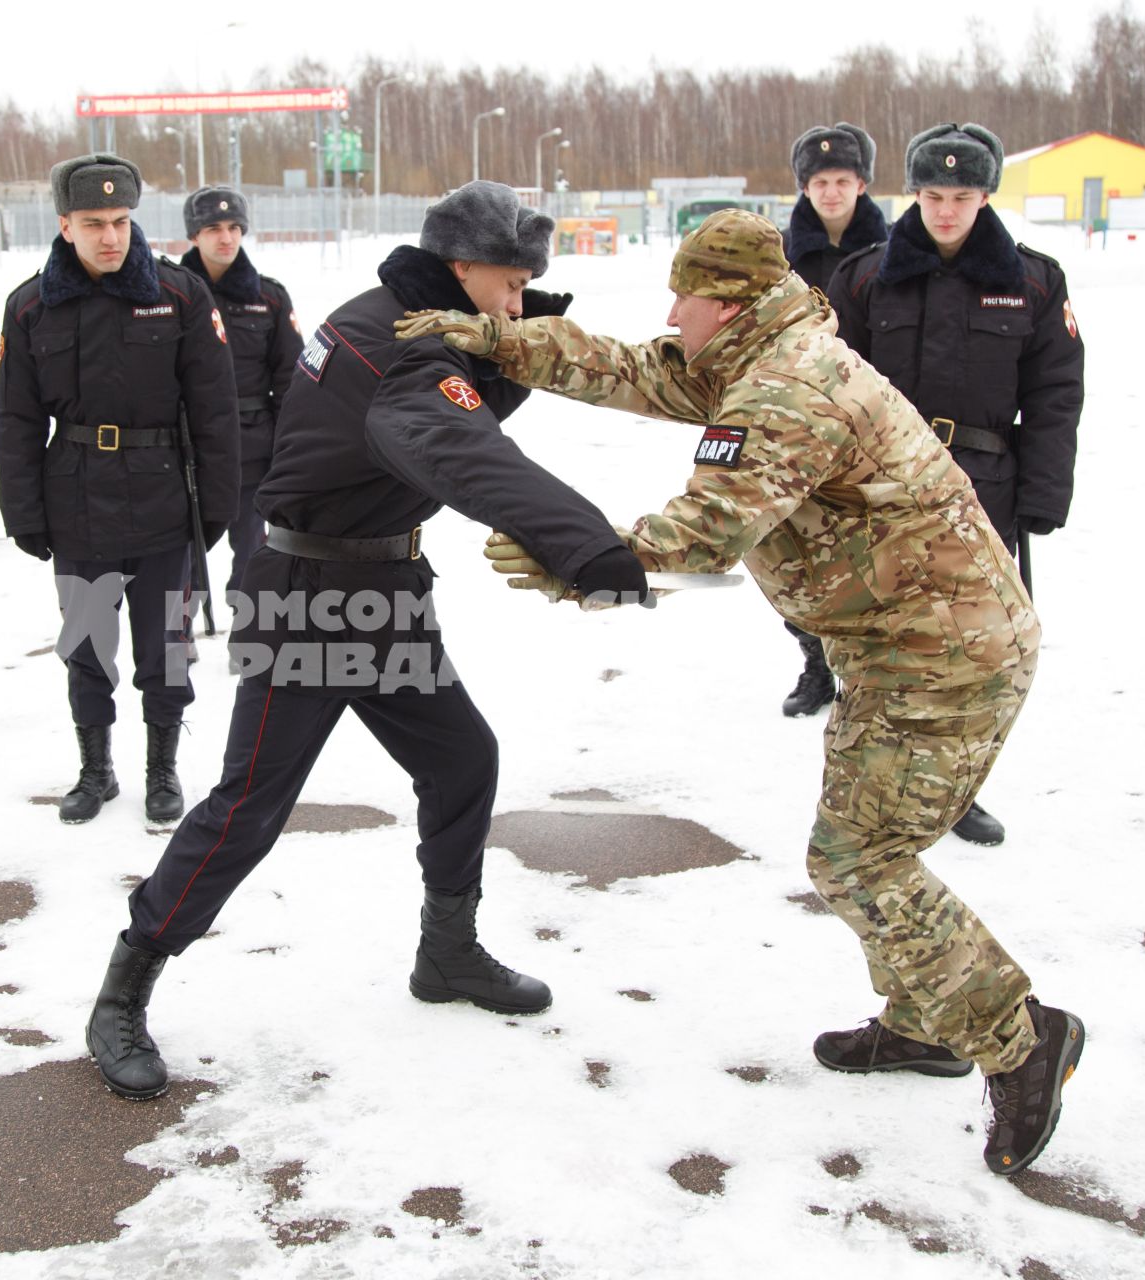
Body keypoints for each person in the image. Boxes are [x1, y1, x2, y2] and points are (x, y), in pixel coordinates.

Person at [396, 210, 1085, 1176]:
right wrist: (499, 339)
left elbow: (714, 523)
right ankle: (928, 1021)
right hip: (898, 644)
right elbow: (631, 370)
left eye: (682, 296)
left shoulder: (790, 387)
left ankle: (1018, 1039)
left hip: (946, 653)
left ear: (724, 301)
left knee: (858, 861)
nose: (671, 313)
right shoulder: (754, 351)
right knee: (865, 845)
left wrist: (583, 560)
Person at [83, 180, 648, 1102]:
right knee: (249, 810)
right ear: (462, 270)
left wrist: (524, 325)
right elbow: (466, 449)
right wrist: (587, 546)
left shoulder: (401, 316)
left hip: (379, 591)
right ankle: (125, 987)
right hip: (307, 598)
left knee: (464, 760)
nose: (516, 303)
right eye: (511, 284)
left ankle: (448, 954)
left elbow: (477, 394)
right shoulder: (401, 351)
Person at [828, 122, 1084, 847]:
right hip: (882, 492)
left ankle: (956, 793)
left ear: (985, 196)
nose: (946, 210)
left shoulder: (1033, 280)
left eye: (963, 196)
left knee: (976, 652)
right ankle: (872, 787)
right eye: (934, 195)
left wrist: (1043, 494)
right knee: (878, 644)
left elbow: (1056, 393)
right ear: (913, 194)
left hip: (985, 490)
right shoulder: (865, 277)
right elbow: (830, 391)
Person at [0, 153, 239, 824]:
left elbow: (216, 410)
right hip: (75, 502)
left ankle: (162, 770)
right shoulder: (32, 306)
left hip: (163, 500)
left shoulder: (180, 294)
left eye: (122, 221)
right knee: (87, 649)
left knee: (165, 649)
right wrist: (25, 512)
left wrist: (215, 507)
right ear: (64, 224)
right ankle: (95, 770)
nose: (110, 237)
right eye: (93, 222)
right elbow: (14, 418)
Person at [775, 122, 890, 718]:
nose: (831, 192)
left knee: (868, 551)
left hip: (867, 415)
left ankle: (866, 670)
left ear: (862, 184)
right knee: (795, 549)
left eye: (842, 180)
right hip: (796, 416)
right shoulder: (782, 254)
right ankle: (816, 661)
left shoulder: (893, 249)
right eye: (819, 182)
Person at [176, 185, 301, 674]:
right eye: (213, 229)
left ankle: (251, 630)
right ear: (194, 235)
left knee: (253, 544)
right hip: (188, 446)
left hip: (253, 441)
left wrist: (287, 445)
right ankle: (176, 627)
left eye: (233, 228)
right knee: (181, 544)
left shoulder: (268, 298)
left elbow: (291, 377)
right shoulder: (168, 293)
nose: (225, 238)